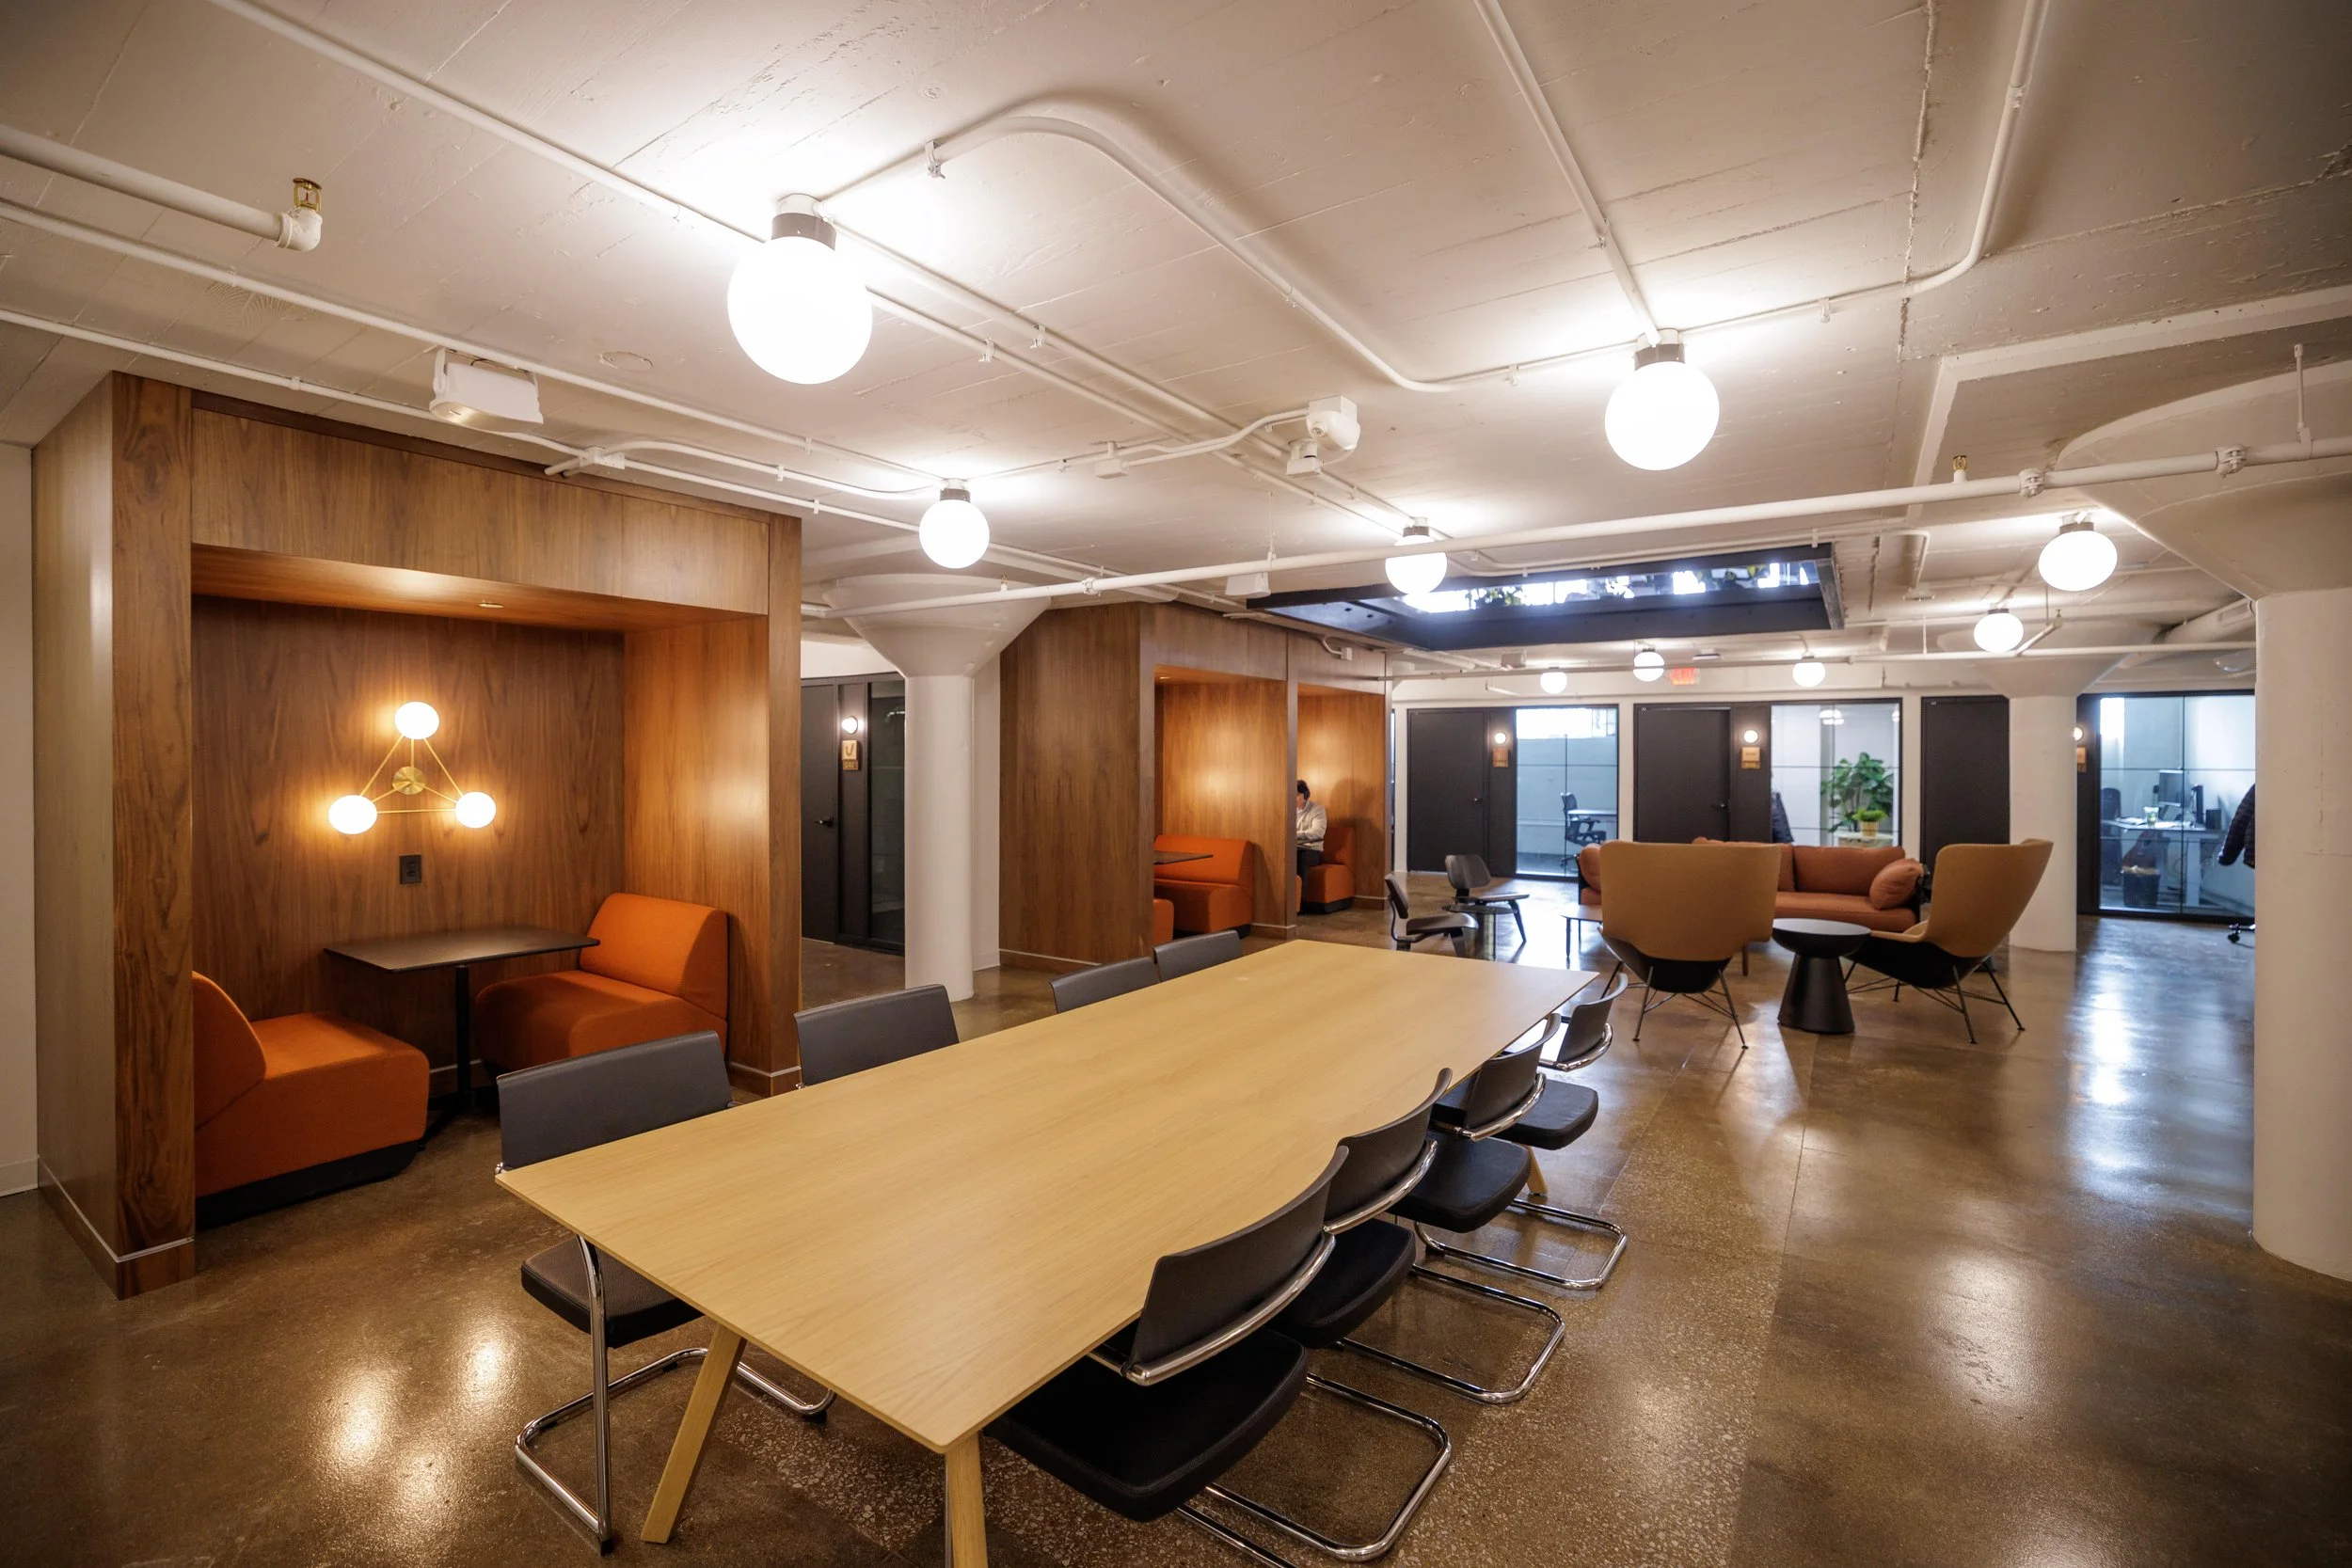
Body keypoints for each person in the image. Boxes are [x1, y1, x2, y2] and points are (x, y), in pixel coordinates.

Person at [1295, 779, 1327, 877]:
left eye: (1296, 795)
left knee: (1300, 859)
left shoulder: (1317, 810)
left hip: (1312, 850)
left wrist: (1297, 835)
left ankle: (1300, 892)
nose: (1292, 798)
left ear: (1305, 795)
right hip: (1295, 848)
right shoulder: (1289, 810)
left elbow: (1318, 832)